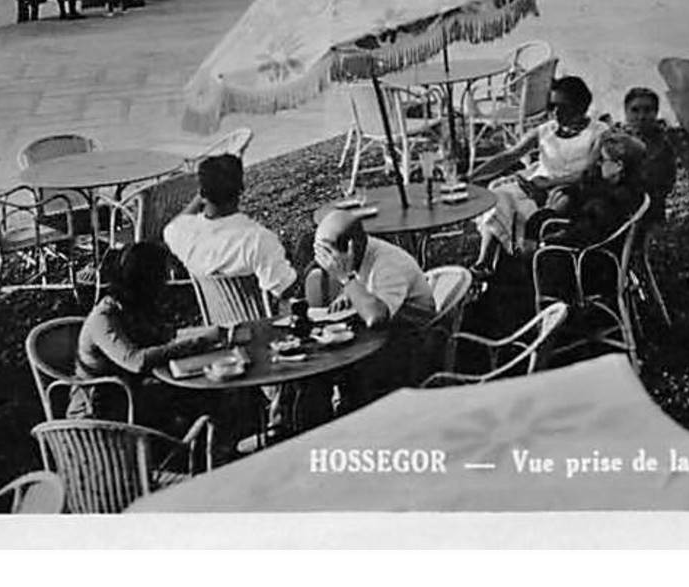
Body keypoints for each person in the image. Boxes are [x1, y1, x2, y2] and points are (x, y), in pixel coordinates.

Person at [163, 154, 306, 444]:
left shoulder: (181, 233)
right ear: (241, 190)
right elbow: (286, 290)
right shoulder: (256, 239)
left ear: (201, 193)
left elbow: (177, 222)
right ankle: (290, 418)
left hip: (220, 334)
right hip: (264, 337)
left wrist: (201, 196)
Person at [468, 76, 610, 271]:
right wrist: (473, 176)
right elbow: (510, 155)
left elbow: (590, 173)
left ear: (581, 106)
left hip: (571, 192)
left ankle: (519, 260)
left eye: (563, 106)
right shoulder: (546, 130)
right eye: (552, 106)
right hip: (535, 185)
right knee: (498, 196)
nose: (556, 112)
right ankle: (484, 261)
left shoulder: (598, 132)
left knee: (514, 202)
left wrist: (549, 184)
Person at [67, 242, 221, 422]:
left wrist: (208, 337)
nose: (165, 284)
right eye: (160, 278)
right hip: (99, 415)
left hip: (128, 399)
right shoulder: (104, 318)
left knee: (206, 399)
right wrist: (194, 344)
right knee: (196, 407)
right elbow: (136, 361)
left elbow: (163, 336)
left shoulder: (133, 309)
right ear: (143, 281)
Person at [304, 208, 438, 405]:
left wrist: (346, 279)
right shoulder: (360, 252)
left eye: (329, 254)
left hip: (414, 345)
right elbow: (367, 286)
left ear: (351, 246)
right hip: (386, 336)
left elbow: (376, 317)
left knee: (336, 367)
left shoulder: (389, 265)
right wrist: (348, 294)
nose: (327, 263)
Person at [612, 87, 677, 222]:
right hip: (615, 209)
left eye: (648, 110)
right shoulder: (614, 142)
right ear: (626, 112)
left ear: (656, 113)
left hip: (650, 209)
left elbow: (666, 181)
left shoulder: (663, 146)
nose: (641, 117)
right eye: (635, 110)